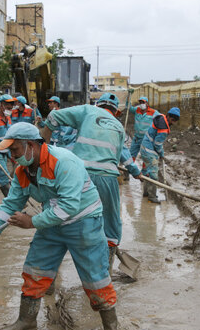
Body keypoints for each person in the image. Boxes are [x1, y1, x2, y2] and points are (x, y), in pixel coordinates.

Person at [0, 123, 121, 330]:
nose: (12, 156)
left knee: (95, 277)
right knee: (34, 270)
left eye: (15, 150)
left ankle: (111, 327)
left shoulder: (64, 162)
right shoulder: (22, 171)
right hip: (51, 223)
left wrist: (32, 222)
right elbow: (9, 207)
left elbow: (68, 206)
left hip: (83, 222)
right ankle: (26, 320)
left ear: (30, 145)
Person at [42, 93, 141, 271]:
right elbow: (125, 158)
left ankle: (48, 278)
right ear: (116, 112)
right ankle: (105, 271)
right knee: (110, 225)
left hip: (78, 176)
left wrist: (43, 151)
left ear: (98, 105)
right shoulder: (119, 126)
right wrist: (136, 173)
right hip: (107, 179)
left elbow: (53, 116)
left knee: (58, 219)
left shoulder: (87, 111)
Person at [139, 107, 180, 203]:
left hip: (144, 147)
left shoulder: (161, 117)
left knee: (148, 172)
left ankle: (146, 193)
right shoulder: (164, 129)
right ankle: (152, 196)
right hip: (149, 150)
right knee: (154, 175)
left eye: (175, 121)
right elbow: (157, 144)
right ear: (168, 116)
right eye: (172, 120)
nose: (173, 122)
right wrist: (161, 153)